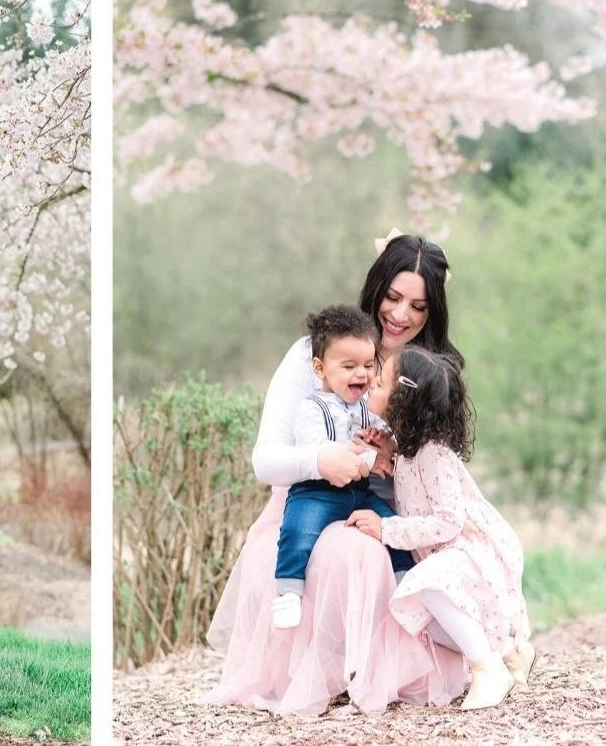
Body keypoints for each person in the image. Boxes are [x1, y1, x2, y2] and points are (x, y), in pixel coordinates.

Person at [204, 231, 471, 715]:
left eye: (418, 306)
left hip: (391, 511)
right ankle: (328, 668)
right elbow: (265, 460)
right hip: (309, 501)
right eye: (392, 297)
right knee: (337, 549)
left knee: (374, 546)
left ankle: (390, 665)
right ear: (375, 288)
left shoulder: (428, 370)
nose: (400, 315)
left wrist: (390, 457)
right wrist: (319, 461)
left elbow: (437, 467)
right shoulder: (315, 353)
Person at [348, 347, 533, 709]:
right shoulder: (410, 448)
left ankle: (486, 667)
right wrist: (388, 449)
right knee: (419, 611)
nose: (371, 381)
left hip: (470, 549)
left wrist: (387, 529)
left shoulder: (433, 452)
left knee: (424, 584)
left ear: (403, 401)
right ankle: (508, 652)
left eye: (381, 380)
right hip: (449, 553)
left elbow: (449, 521)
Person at [272, 305, 415, 630]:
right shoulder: (312, 408)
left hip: (358, 494)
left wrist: (387, 442)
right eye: (349, 366)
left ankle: (405, 581)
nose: (361, 375)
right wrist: (368, 458)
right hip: (317, 492)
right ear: (320, 368)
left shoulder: (365, 406)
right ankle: (288, 592)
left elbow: (383, 432)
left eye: (367, 365)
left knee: (392, 524)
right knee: (297, 529)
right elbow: (319, 451)